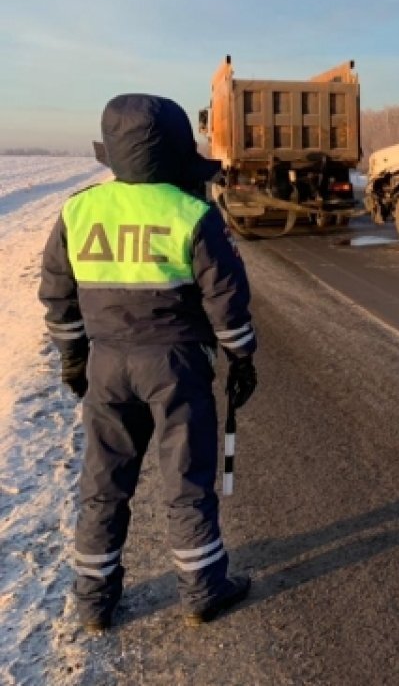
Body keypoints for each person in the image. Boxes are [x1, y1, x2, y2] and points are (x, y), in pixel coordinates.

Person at [38, 94, 259, 632]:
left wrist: (73, 357)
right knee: (186, 481)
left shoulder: (78, 210)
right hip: (177, 366)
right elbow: (225, 299)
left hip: (108, 365)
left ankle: (94, 602)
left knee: (104, 484)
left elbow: (58, 297)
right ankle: (202, 588)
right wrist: (241, 357)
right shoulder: (192, 213)